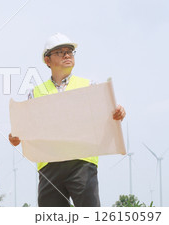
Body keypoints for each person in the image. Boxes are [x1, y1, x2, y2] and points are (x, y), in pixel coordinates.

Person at [8, 33, 126, 207]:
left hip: (82, 163)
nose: (67, 55)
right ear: (47, 60)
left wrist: (118, 114)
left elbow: (107, 116)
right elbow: (25, 130)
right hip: (49, 167)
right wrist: (15, 137)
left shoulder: (89, 86)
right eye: (60, 52)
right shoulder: (34, 93)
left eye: (70, 51)